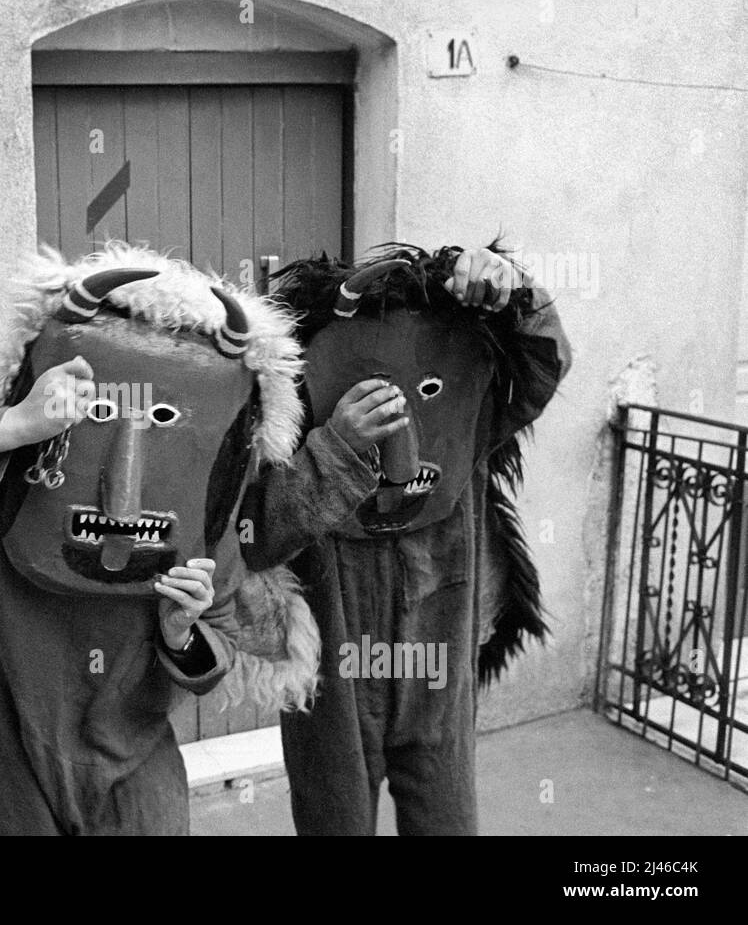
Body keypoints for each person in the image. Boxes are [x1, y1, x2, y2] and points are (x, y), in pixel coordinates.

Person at [0, 243, 320, 835]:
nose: (123, 477)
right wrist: (19, 423)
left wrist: (182, 633)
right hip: (16, 769)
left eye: (161, 418)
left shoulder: (202, 523)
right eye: (102, 409)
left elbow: (220, 650)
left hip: (139, 776)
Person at [240, 243, 572, 835]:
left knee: (446, 821)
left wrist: (515, 291)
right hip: (333, 678)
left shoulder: (475, 421)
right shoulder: (286, 437)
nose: (401, 425)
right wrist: (336, 450)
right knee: (333, 821)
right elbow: (256, 536)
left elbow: (544, 360)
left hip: (437, 667)